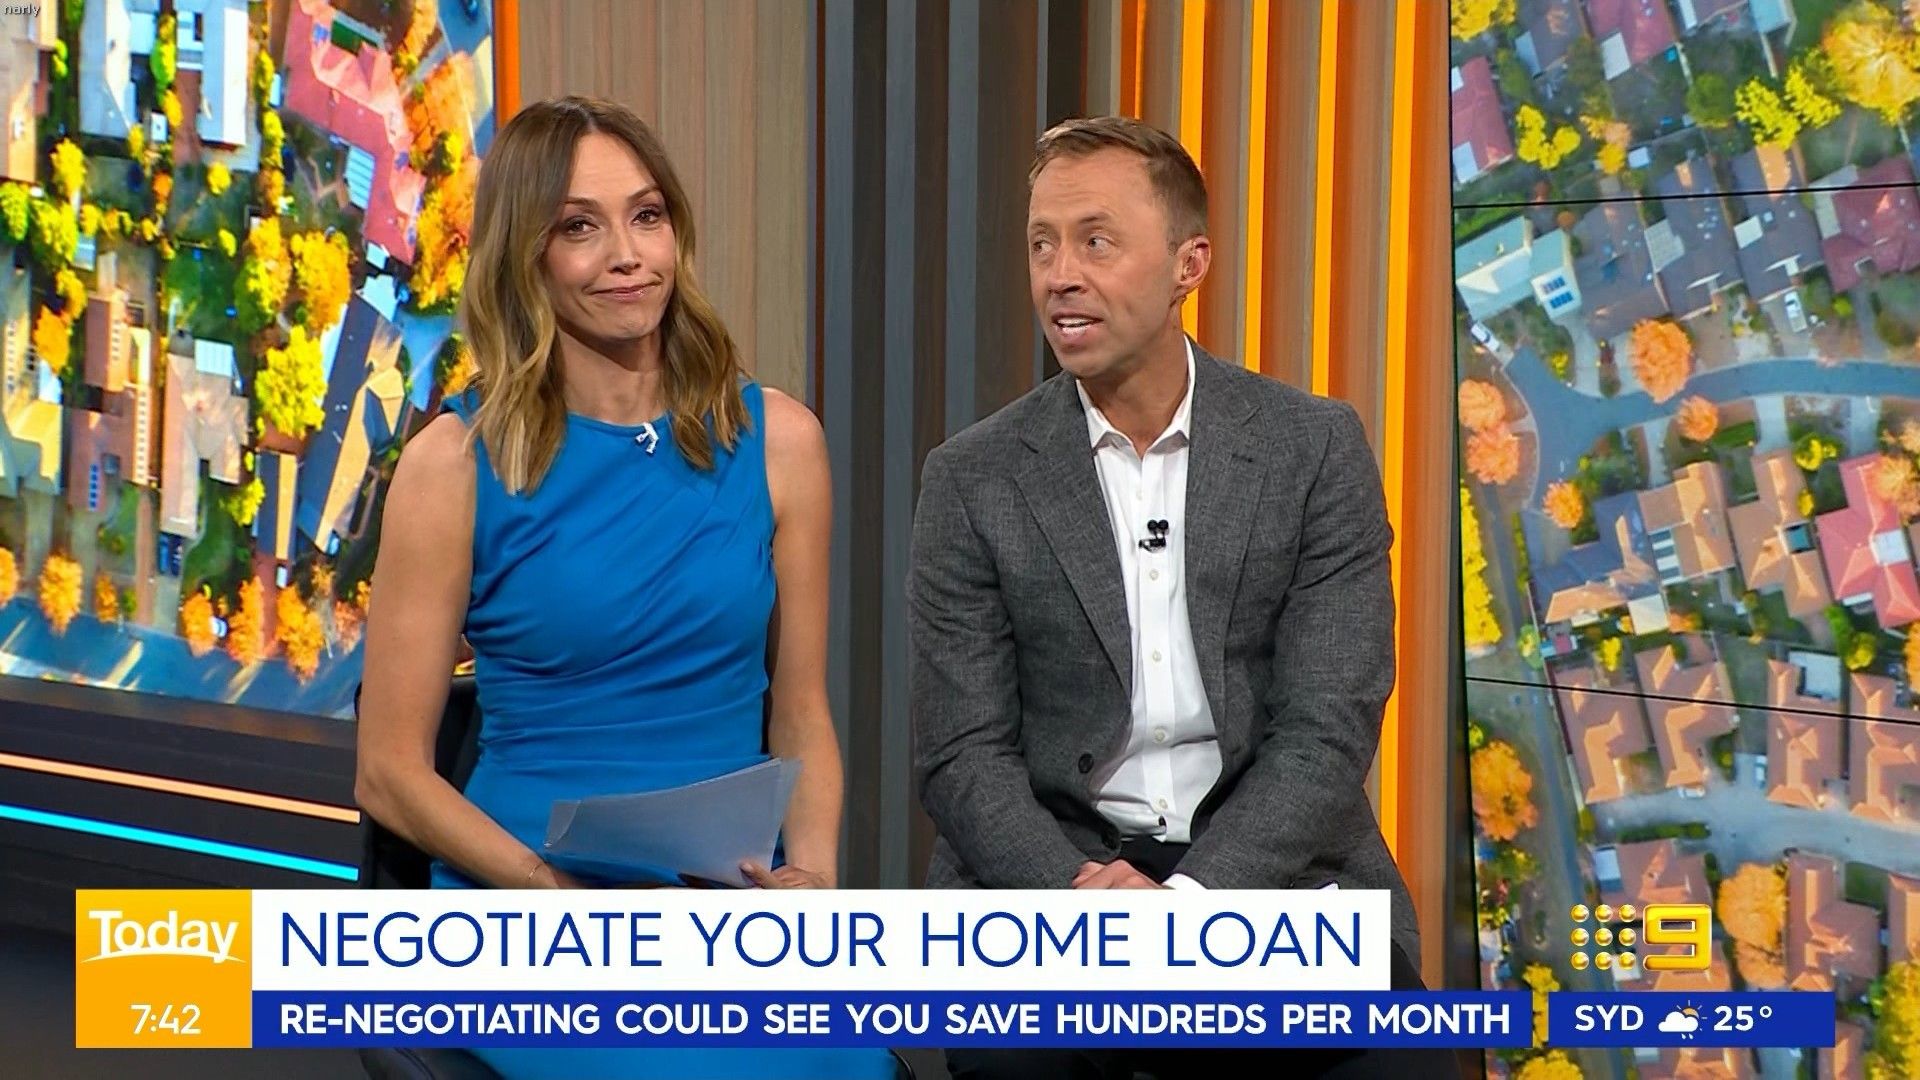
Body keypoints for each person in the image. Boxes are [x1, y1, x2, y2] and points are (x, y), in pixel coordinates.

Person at [355, 95, 895, 1080]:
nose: (627, 255)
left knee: (845, 1066)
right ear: (526, 256)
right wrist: (553, 898)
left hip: (722, 899)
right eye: (579, 227)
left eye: (647, 216)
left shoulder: (781, 443)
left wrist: (811, 881)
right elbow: (388, 771)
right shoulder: (454, 467)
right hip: (529, 896)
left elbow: (801, 713)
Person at [908, 116, 1457, 1080]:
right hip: (1059, 880)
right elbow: (962, 753)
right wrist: (1079, 898)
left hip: (1265, 875)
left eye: (1097, 241)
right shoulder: (973, 477)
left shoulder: (1311, 448)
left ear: (1187, 264)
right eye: (1042, 245)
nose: (1060, 275)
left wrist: (1191, 908)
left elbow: (1328, 725)